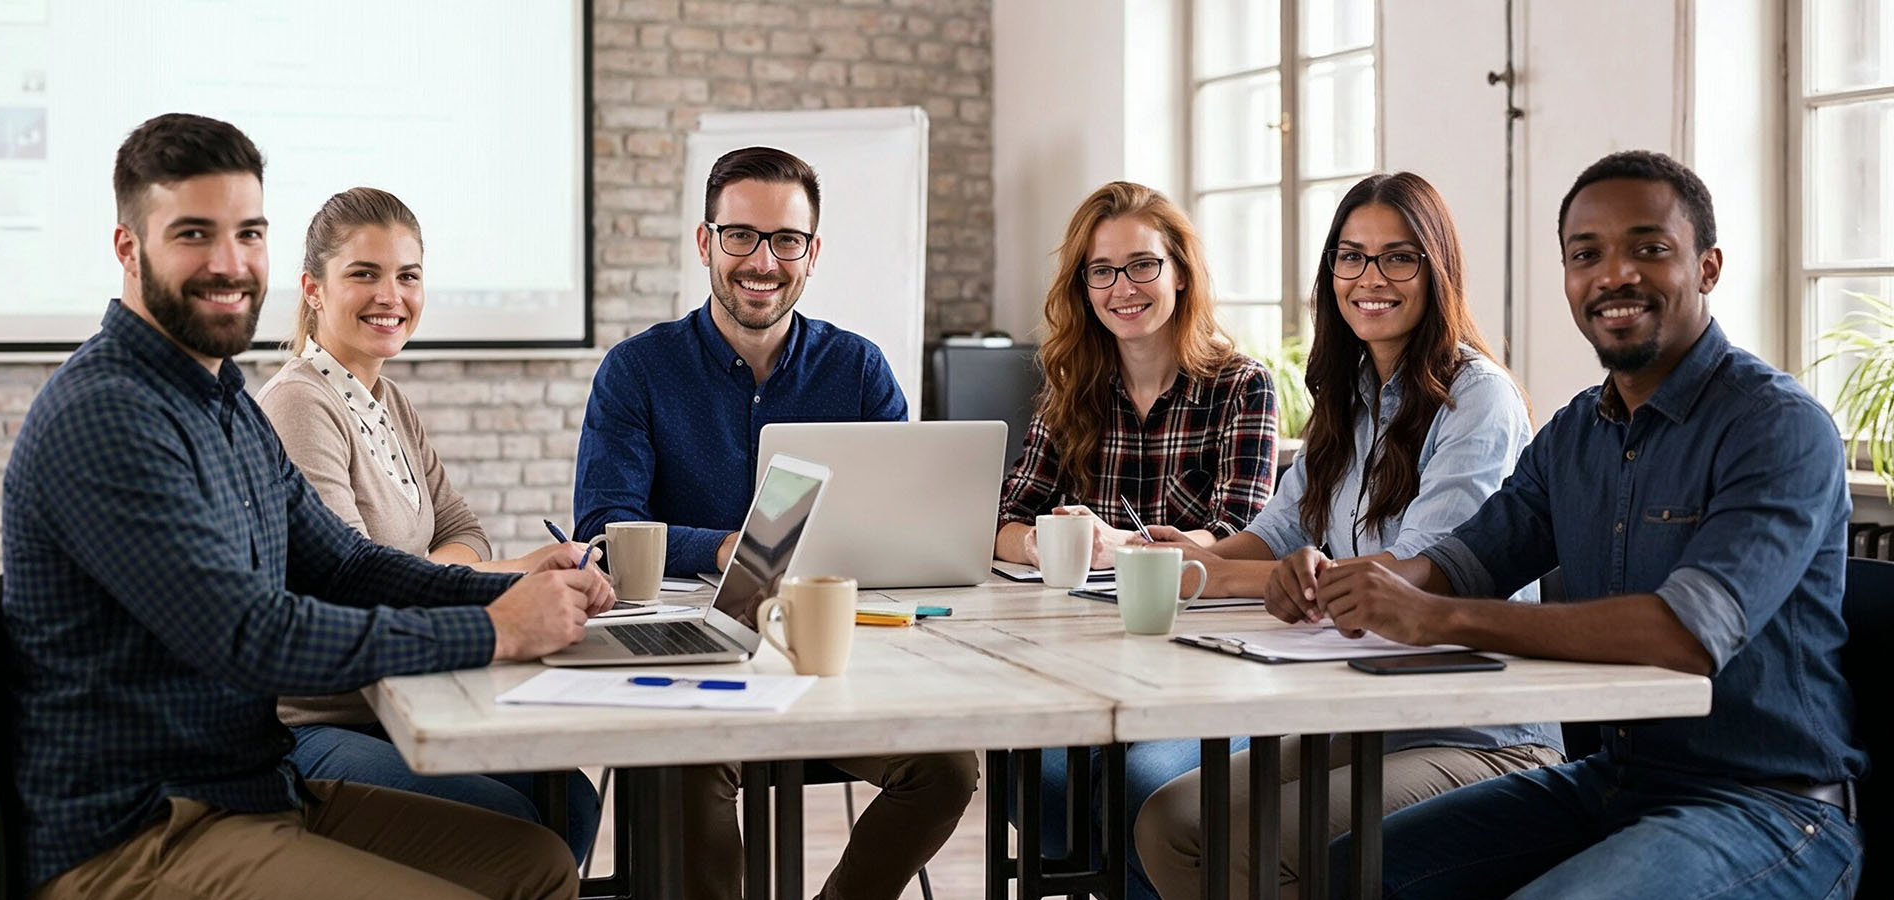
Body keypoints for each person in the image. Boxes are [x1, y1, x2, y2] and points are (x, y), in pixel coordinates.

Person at [1, 113, 612, 900]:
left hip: (252, 792)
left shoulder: (222, 399)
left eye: (249, 234)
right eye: (194, 234)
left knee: (537, 864)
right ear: (129, 248)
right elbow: (253, 636)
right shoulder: (110, 414)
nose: (231, 263)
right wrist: (498, 627)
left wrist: (517, 592)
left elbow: (348, 563)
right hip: (142, 834)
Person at [1317, 151, 1864, 898]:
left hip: (1768, 808)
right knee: (1354, 871)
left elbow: (1683, 635)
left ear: (1707, 268)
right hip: (1617, 782)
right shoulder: (1578, 431)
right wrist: (1351, 583)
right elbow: (1463, 561)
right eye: (1586, 255)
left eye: (1648, 248)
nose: (1613, 275)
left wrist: (1436, 615)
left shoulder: (1776, 427)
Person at [1130, 172, 1563, 899]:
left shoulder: (1476, 397)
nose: (1370, 278)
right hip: (1368, 714)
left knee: (1242, 842)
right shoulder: (1349, 391)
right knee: (1170, 819)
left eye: (1398, 257)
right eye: (1351, 256)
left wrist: (1211, 577)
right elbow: (1277, 531)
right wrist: (1191, 555)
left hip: (1479, 734)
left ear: (1437, 270)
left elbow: (1419, 575)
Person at [573, 146, 977, 900]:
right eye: (741, 237)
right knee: (689, 766)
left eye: (785, 240)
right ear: (705, 243)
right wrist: (727, 546)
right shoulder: (636, 371)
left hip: (837, 657)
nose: (763, 261)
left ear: (811, 253)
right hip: (695, 662)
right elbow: (603, 527)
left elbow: (908, 514)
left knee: (948, 767)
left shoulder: (858, 369)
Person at [254, 187, 602, 858]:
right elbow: (355, 580)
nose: (392, 295)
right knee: (526, 826)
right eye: (364, 274)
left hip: (409, 696)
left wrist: (515, 566)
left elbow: (466, 527)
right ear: (314, 289)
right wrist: (497, 578)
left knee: (570, 799)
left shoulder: (385, 399)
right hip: (321, 725)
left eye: (408, 276)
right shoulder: (300, 404)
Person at [992, 181, 1279, 899]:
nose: (1123, 287)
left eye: (1143, 265)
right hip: (1082, 658)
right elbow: (1003, 520)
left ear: (1180, 272)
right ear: (1084, 285)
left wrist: (1119, 542)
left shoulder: (1242, 387)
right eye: (1102, 270)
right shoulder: (1070, 391)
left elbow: (1242, 538)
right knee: (1035, 781)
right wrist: (1043, 543)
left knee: (1143, 787)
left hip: (1200, 665)